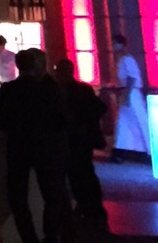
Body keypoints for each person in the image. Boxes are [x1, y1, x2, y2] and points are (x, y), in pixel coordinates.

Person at [0, 48, 71, 243]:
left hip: (18, 148)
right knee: (51, 194)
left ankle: (29, 238)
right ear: (37, 65)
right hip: (46, 148)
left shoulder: (9, 90)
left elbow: (1, 121)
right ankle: (50, 235)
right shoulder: (49, 89)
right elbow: (62, 119)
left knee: (17, 197)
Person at [54, 57, 108, 228]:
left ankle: (86, 207)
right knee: (85, 173)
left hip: (71, 139)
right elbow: (100, 108)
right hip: (82, 139)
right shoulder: (82, 89)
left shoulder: (57, 91)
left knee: (77, 175)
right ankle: (93, 208)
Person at [112, 34, 151, 159]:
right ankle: (125, 150)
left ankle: (143, 150)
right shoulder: (123, 59)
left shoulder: (127, 59)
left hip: (131, 93)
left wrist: (126, 95)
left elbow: (132, 78)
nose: (113, 46)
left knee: (134, 121)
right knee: (126, 122)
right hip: (129, 92)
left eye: (115, 43)